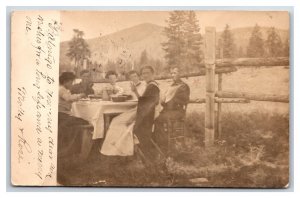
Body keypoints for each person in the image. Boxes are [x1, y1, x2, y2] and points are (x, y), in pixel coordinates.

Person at [57, 72, 93, 183]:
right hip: (61, 116)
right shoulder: (62, 89)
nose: (72, 84)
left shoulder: (64, 89)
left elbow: (70, 98)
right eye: (71, 82)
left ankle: (79, 149)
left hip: (63, 115)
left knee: (83, 121)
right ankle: (82, 151)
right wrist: (82, 95)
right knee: (87, 123)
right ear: (66, 81)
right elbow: (68, 98)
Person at [100, 70, 146, 156]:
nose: (134, 78)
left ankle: (117, 147)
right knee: (116, 119)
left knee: (117, 121)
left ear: (139, 76)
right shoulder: (132, 87)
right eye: (131, 77)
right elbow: (130, 97)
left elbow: (143, 100)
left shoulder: (143, 86)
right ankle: (114, 146)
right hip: (132, 108)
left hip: (140, 111)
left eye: (135, 76)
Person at [153, 67, 190, 153]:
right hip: (169, 111)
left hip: (178, 111)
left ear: (180, 74)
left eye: (175, 73)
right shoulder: (171, 86)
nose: (172, 75)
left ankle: (163, 145)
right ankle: (161, 142)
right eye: (171, 73)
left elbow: (181, 100)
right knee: (154, 117)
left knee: (158, 119)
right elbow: (165, 100)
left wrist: (167, 102)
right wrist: (162, 100)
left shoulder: (183, 86)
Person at [132, 66, 160, 165]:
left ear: (153, 74)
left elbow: (146, 106)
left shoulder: (152, 86)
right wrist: (135, 91)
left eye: (148, 73)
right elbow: (143, 101)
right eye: (143, 73)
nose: (145, 75)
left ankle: (139, 157)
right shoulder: (149, 86)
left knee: (127, 126)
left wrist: (137, 120)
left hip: (148, 117)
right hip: (147, 115)